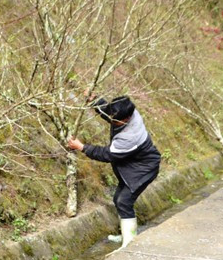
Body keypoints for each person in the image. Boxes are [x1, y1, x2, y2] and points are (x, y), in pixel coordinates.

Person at [67, 96, 161, 250]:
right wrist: (95, 100)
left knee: (124, 201)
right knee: (119, 198)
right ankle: (126, 235)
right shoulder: (127, 110)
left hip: (145, 168)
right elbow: (110, 112)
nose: (112, 122)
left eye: (116, 121)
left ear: (126, 119)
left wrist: (82, 147)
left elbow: (107, 154)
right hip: (133, 165)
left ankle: (130, 243)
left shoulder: (130, 136)